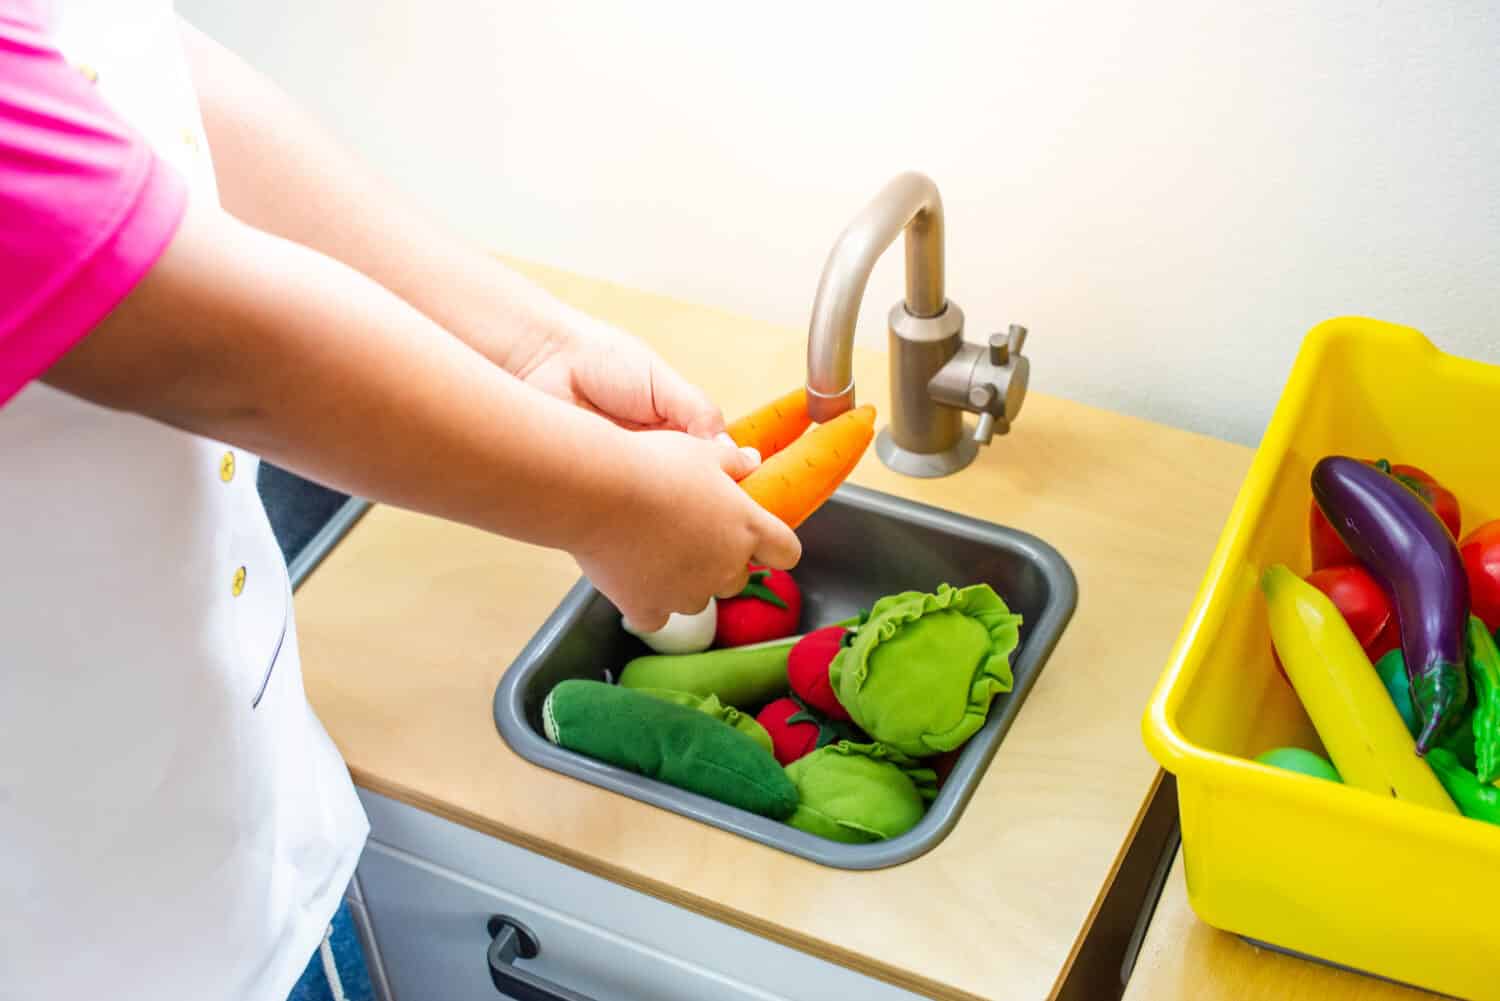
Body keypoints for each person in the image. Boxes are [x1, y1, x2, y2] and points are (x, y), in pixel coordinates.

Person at [0, 2, 801, 999]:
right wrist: (612, 506)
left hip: (234, 825)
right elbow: (192, 333)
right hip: (91, 933)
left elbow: (136, 70)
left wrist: (534, 348)